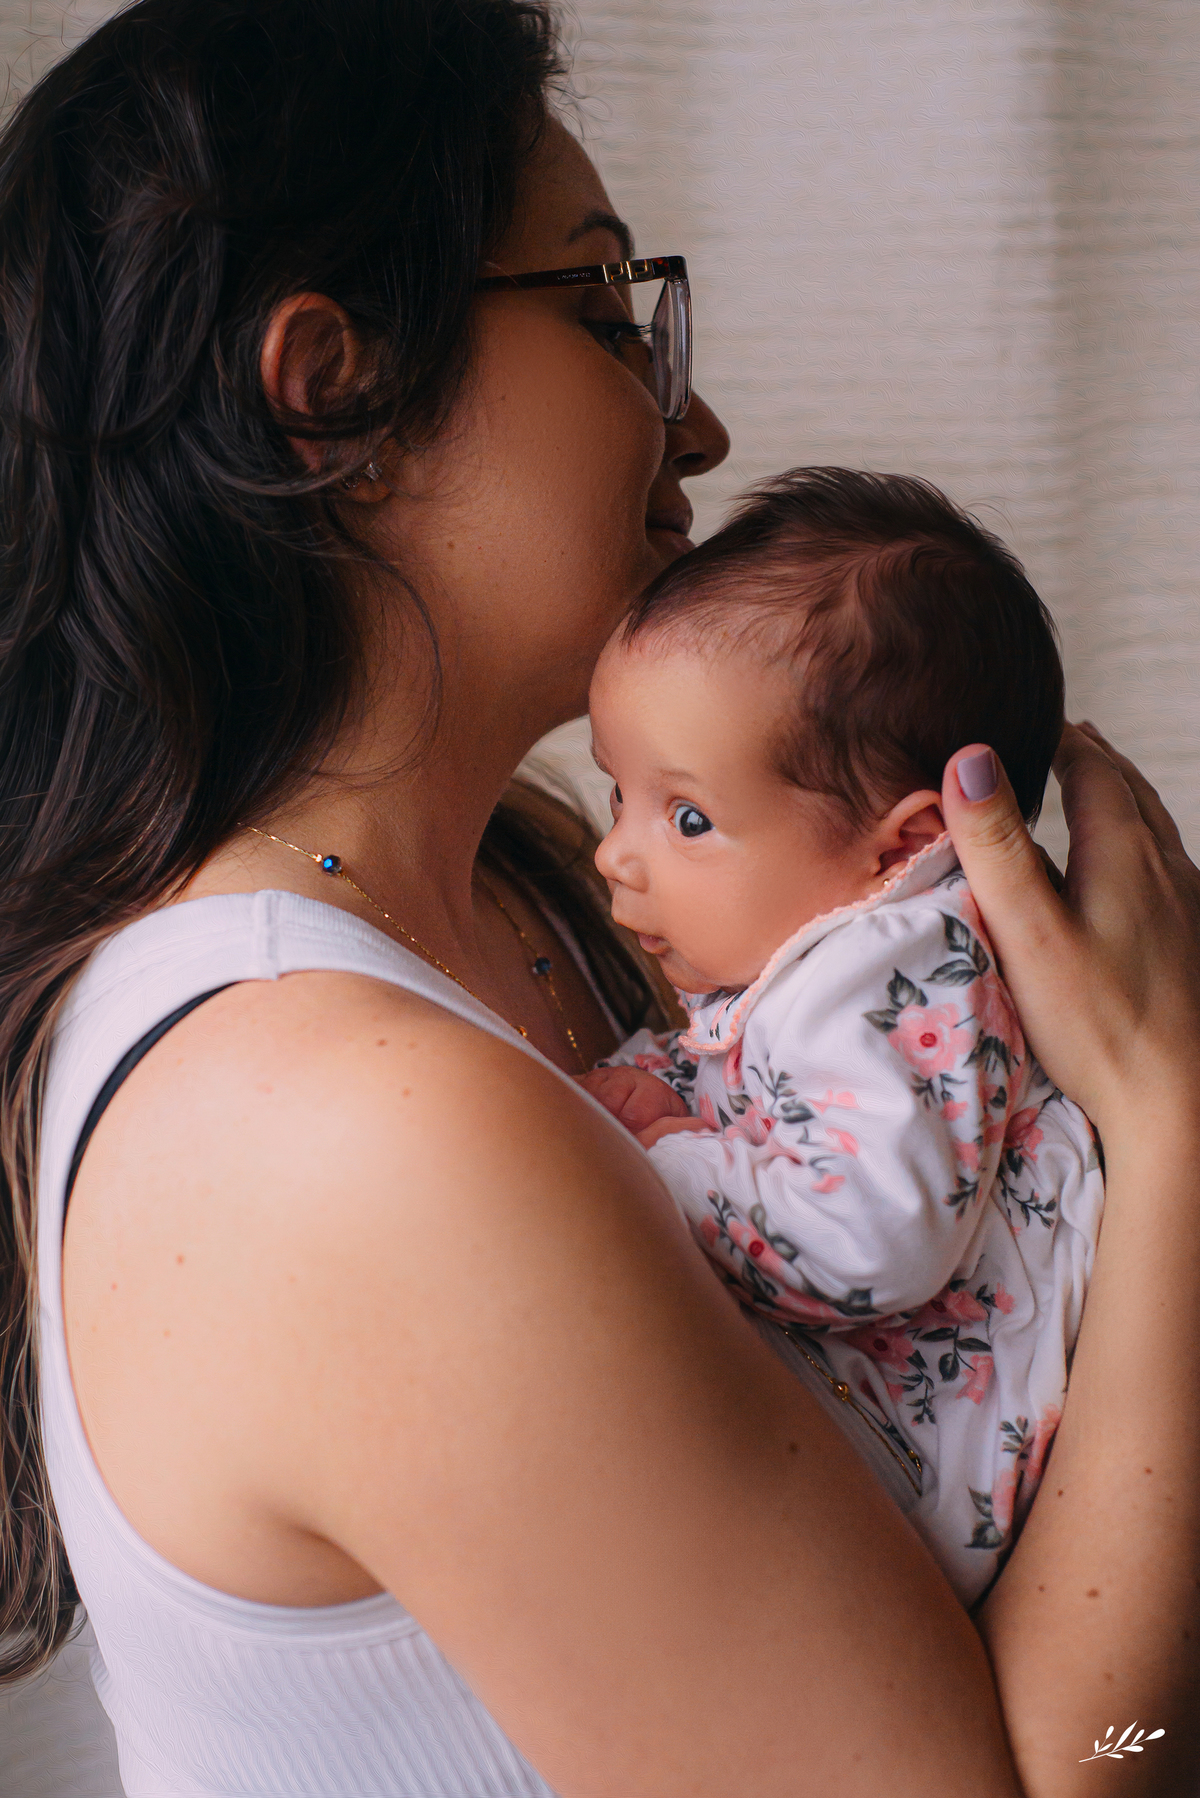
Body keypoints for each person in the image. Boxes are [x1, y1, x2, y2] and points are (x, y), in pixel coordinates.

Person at [0, 2, 1196, 1794]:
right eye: (609, 308)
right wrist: (1176, 1129)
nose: (696, 419)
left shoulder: (534, 893)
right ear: (335, 392)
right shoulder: (341, 1125)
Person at [580, 467, 1104, 1607]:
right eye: (614, 790)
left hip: (933, 1469)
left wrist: (664, 1154)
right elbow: (774, 1092)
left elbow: (870, 1237)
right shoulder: (865, 961)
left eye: (685, 818)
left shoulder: (884, 969)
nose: (617, 853)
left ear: (896, 843)